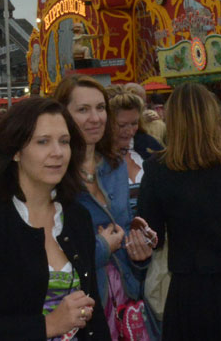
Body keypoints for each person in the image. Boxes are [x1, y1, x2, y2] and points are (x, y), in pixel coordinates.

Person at [0, 97, 110, 340]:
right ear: (16, 152)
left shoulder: (77, 216)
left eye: (64, 141)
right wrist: (47, 326)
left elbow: (93, 308)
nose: (57, 152)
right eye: (43, 141)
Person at [136, 83, 221, 340]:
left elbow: (152, 236)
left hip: (188, 291)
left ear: (172, 120)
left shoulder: (158, 169)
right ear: (213, 116)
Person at [55, 76, 155, 340]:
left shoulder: (115, 164)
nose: (95, 118)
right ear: (62, 114)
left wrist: (140, 248)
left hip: (125, 294)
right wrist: (102, 247)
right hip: (80, 301)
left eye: (100, 108)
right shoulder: (54, 172)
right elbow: (48, 248)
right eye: (83, 109)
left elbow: (124, 226)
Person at [108, 89, 154, 219]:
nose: (129, 131)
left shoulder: (147, 150)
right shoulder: (96, 161)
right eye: (122, 125)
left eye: (134, 123)